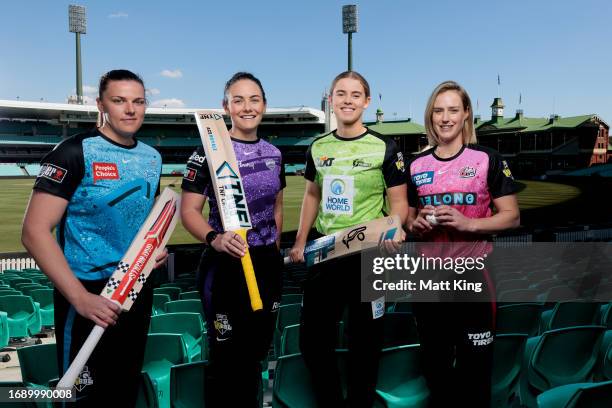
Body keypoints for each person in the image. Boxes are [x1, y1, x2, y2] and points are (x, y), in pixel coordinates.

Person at [21, 69, 166, 406]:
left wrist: (156, 248)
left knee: (122, 391)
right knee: (83, 398)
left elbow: (145, 221)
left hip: (135, 289)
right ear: (101, 104)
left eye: (138, 101)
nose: (130, 109)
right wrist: (80, 299)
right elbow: (34, 232)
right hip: (86, 294)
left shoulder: (152, 157)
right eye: (119, 101)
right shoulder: (73, 151)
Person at [289, 71, 408, 407]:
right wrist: (300, 241)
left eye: (356, 94)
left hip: (369, 253)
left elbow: (399, 202)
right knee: (312, 342)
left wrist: (396, 227)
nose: (347, 100)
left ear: (367, 101)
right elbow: (312, 196)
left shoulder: (385, 146)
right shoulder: (318, 146)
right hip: (326, 252)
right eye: (340, 93)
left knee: (366, 342)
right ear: (331, 99)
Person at [406, 80, 520, 407]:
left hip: (474, 276)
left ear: (466, 114)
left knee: (476, 373)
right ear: (430, 116)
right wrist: (418, 225)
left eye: (453, 110)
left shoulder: (487, 158)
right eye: (438, 110)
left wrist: (468, 223)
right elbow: (409, 221)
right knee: (436, 372)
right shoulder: (417, 165)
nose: (445, 117)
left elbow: (511, 216)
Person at [180, 72, 285, 407]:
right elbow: (189, 211)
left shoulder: (275, 153)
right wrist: (215, 239)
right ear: (225, 107)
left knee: (255, 353)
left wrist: (273, 248)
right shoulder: (207, 151)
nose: (246, 107)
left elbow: (277, 206)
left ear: (264, 105)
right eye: (237, 100)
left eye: (254, 99)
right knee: (226, 357)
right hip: (224, 266)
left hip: (265, 266)